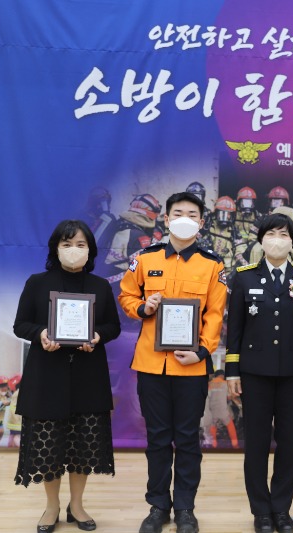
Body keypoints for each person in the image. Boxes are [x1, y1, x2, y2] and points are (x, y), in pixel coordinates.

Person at [118, 191, 227, 533]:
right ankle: (158, 506)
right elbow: (126, 295)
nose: (184, 219)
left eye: (192, 214)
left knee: (188, 438)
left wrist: (202, 351)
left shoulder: (212, 265)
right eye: (178, 213)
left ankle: (185, 508)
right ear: (166, 219)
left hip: (191, 366)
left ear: (201, 222)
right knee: (158, 438)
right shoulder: (144, 259)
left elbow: (215, 314)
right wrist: (143, 307)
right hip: (152, 365)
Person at [13, 219, 121, 532]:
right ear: (56, 248)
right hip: (47, 375)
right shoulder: (37, 283)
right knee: (49, 444)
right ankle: (52, 507)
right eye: (67, 244)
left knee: (82, 445)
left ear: (90, 250)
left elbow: (113, 326)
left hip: (88, 375)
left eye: (80, 244)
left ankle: (77, 505)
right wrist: (41, 333)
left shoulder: (100, 286)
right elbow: (21, 325)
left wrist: (98, 336)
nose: (74, 250)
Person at [225, 213, 293, 533]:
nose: (277, 240)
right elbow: (235, 329)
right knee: (256, 443)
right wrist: (232, 372)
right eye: (271, 234)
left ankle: (281, 509)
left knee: (290, 443)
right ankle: (261, 511)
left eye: (283, 234)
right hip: (254, 373)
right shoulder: (244, 277)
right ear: (261, 240)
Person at [5, 374, 23, 448]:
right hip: (16, 420)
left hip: (15, 421)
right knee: (12, 437)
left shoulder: (17, 393)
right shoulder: (20, 392)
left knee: (16, 437)